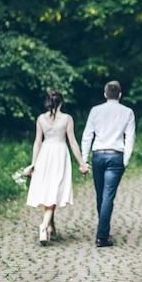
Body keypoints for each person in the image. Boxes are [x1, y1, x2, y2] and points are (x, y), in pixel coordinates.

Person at [24, 89, 90, 246]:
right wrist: (82, 163)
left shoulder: (40, 119)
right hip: (60, 154)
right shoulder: (67, 119)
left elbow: (38, 142)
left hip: (45, 154)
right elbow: (72, 142)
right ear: (61, 102)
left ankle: (52, 228)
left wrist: (34, 163)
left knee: (50, 189)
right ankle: (44, 226)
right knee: (54, 190)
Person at [81, 80, 136, 247]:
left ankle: (102, 230)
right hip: (116, 156)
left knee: (101, 195)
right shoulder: (128, 112)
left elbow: (87, 135)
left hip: (98, 155)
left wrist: (84, 159)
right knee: (107, 195)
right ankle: (102, 235)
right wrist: (126, 159)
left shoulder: (95, 111)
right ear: (120, 95)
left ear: (105, 94)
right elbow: (130, 137)